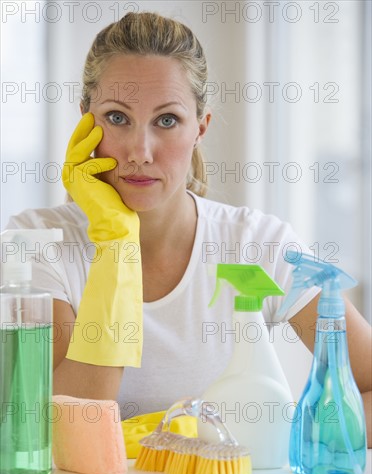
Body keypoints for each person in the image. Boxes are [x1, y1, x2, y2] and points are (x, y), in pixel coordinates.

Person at [4, 12, 371, 445]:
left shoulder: (257, 245)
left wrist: (280, 441)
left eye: (166, 120)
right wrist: (117, 245)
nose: (140, 152)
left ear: (201, 127)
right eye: (118, 118)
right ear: (85, 120)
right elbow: (59, 433)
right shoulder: (38, 243)